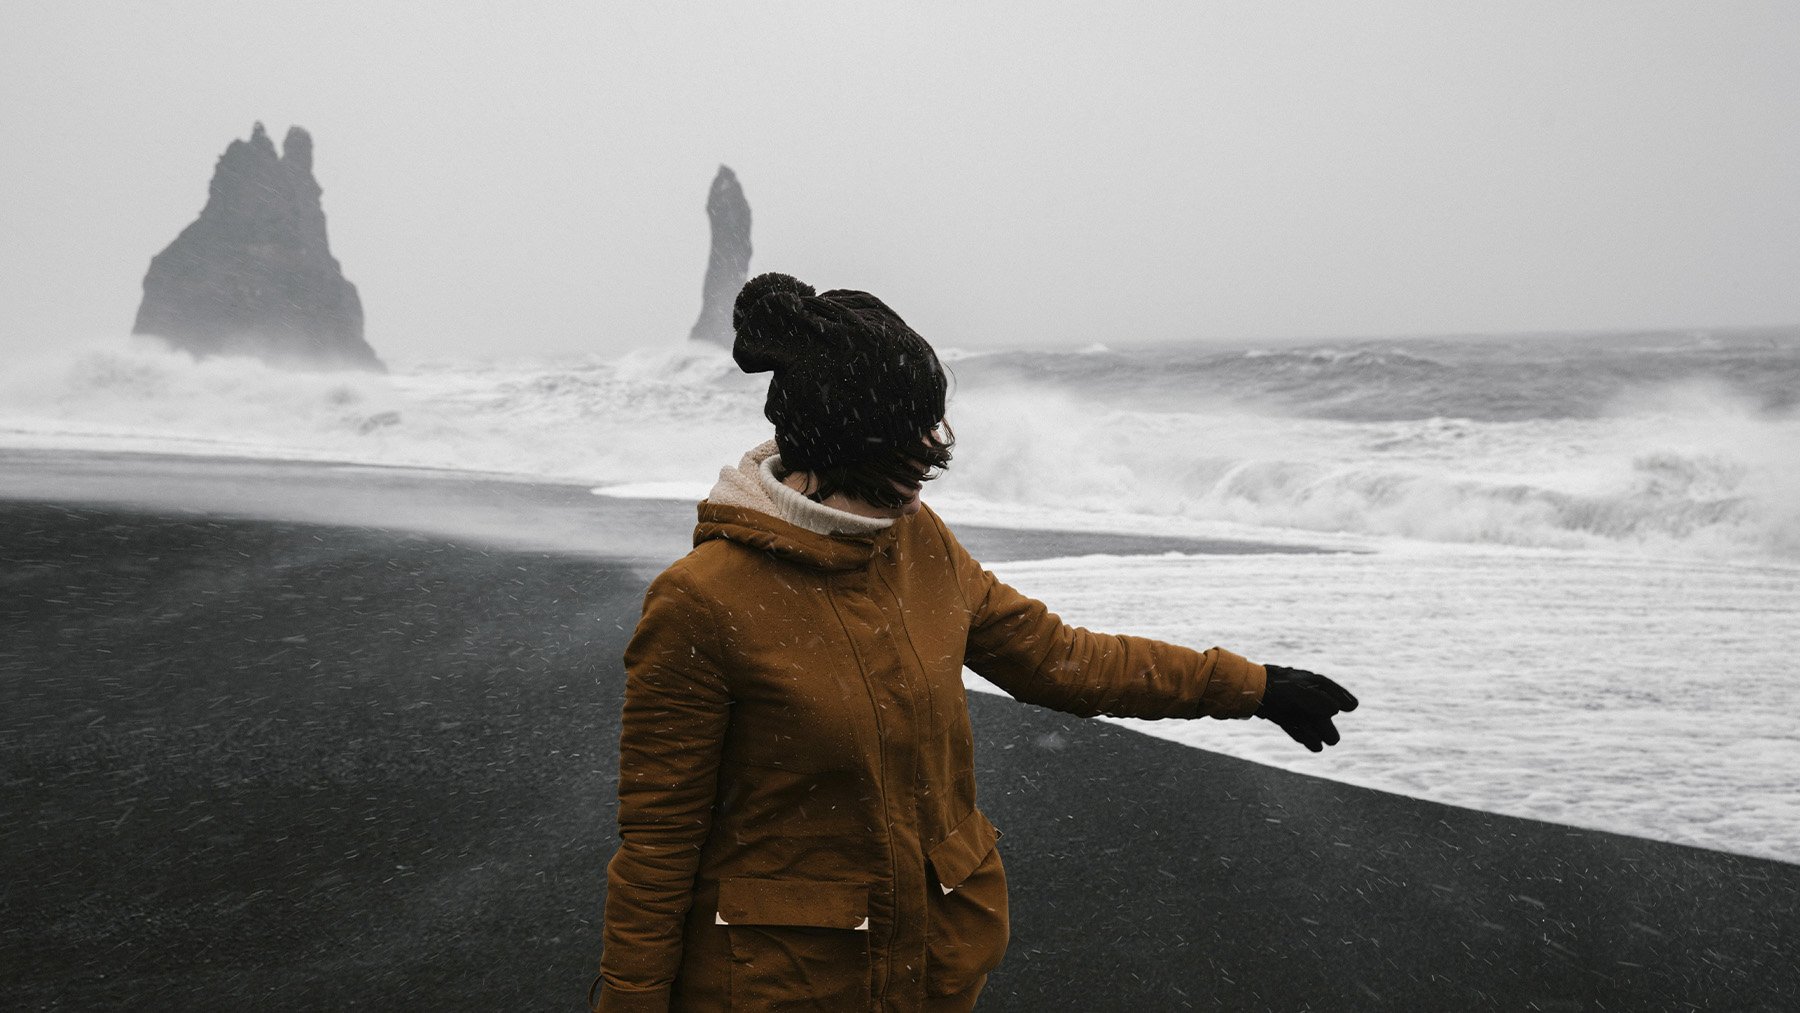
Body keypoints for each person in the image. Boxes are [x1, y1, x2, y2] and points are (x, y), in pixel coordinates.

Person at [593, 273, 1358, 1012]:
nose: (921, 480)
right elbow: (659, 843)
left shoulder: (918, 543)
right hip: (786, 985)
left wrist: (1250, 685)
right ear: (828, 450)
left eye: (930, 443)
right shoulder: (702, 600)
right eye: (901, 462)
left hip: (934, 967)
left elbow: (1063, 658)